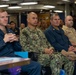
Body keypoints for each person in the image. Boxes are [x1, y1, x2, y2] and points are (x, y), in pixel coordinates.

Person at [0, 9, 41, 75]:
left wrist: (16, 40)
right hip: (2, 60)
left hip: (12, 57)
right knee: (18, 69)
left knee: (36, 65)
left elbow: (18, 48)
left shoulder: (9, 31)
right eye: (2, 17)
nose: (5, 19)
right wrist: (4, 41)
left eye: (6, 17)